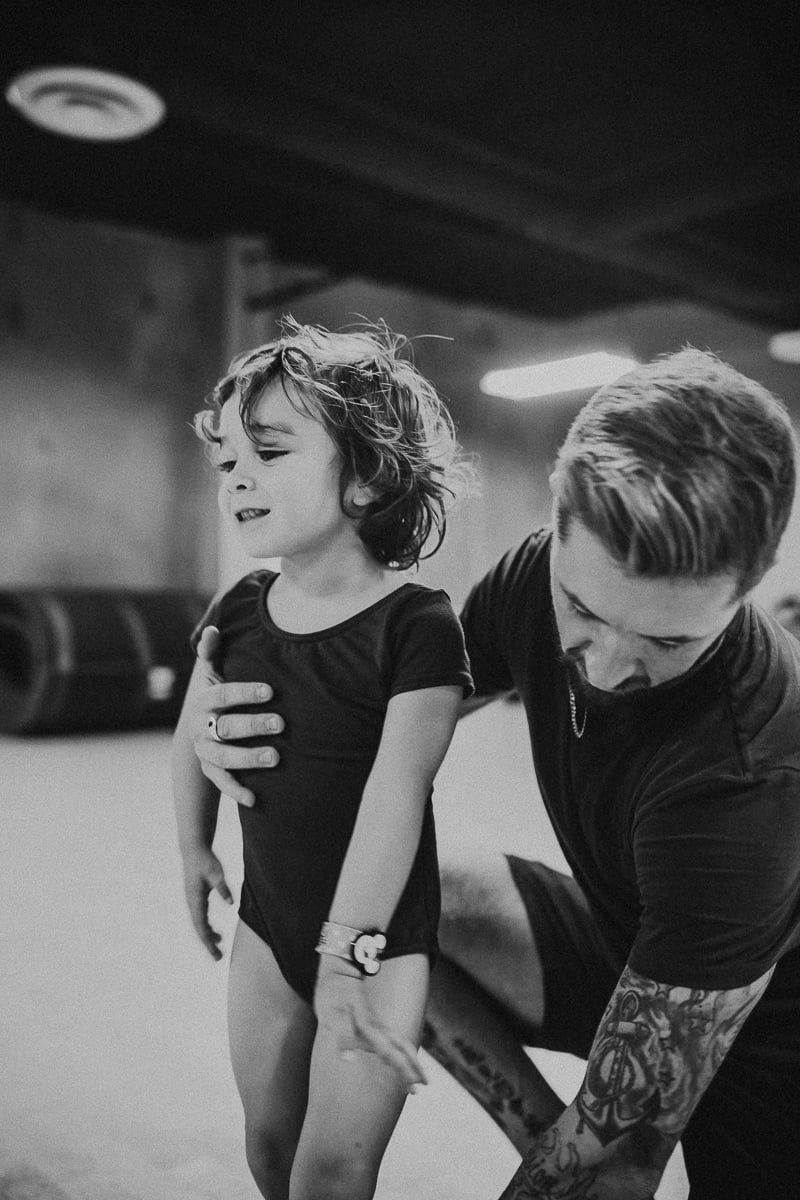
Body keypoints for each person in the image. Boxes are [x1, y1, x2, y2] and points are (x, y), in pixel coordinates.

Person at [187, 347, 800, 1199]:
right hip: (629, 930)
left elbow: (620, 1160)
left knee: (615, 1156)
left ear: (750, 589)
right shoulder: (527, 578)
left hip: (773, 1036)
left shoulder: (747, 784)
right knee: (400, 901)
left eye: (667, 643)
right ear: (559, 524)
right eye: (584, 610)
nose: (610, 667)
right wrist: (236, 734)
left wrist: (601, 1147)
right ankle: (545, 1134)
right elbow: (388, 732)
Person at [171, 318, 474, 1200]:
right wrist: (193, 847)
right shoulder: (241, 605)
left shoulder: (416, 624)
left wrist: (346, 952)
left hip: (378, 941)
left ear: (368, 476)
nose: (238, 479)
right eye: (228, 462)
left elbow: (397, 791)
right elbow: (192, 730)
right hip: (268, 926)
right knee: (268, 1147)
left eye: (268, 452)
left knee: (332, 1172)